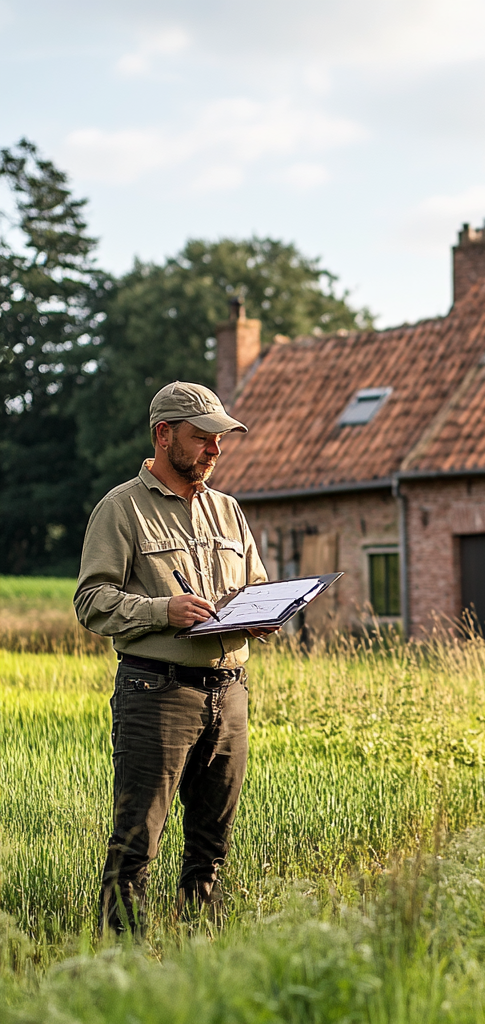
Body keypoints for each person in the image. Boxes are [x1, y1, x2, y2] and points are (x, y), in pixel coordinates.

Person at [75, 381, 270, 933]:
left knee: (212, 845)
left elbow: (255, 583)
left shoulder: (229, 510)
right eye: (202, 437)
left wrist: (264, 611)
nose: (215, 450)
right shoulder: (120, 509)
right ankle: (122, 971)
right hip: (156, 694)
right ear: (164, 435)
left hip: (230, 694)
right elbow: (91, 602)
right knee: (137, 843)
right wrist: (163, 611)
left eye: (219, 439)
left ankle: (198, 962)